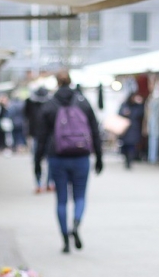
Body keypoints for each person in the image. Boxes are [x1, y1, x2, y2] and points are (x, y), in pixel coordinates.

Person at [35, 70, 103, 254]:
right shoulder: (83, 102)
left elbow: (40, 136)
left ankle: (65, 240)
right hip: (81, 156)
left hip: (57, 157)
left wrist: (37, 162)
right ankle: (77, 223)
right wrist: (99, 157)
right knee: (80, 196)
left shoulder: (49, 105)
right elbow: (95, 130)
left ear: (56, 82)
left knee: (61, 200)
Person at [24, 87, 53, 193]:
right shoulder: (31, 102)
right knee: (43, 159)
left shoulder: (31, 103)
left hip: (41, 135)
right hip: (40, 135)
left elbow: (26, 117)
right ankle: (44, 182)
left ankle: (44, 183)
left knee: (40, 159)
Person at [118, 92, 145, 169]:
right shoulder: (125, 105)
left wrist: (140, 103)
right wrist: (124, 113)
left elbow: (141, 114)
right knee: (125, 146)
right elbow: (119, 113)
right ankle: (127, 160)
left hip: (134, 128)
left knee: (132, 146)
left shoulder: (137, 106)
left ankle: (129, 161)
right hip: (125, 129)